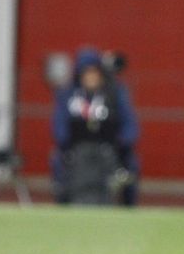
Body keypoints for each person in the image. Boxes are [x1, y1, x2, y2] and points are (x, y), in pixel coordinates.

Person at [50, 48, 139, 206]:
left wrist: (123, 141)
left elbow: (129, 123)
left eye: (94, 72)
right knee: (56, 161)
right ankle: (63, 203)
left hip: (110, 148)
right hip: (76, 149)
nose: (91, 77)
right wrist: (65, 140)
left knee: (132, 164)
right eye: (86, 73)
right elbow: (59, 124)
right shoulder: (67, 94)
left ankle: (128, 206)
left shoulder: (114, 92)